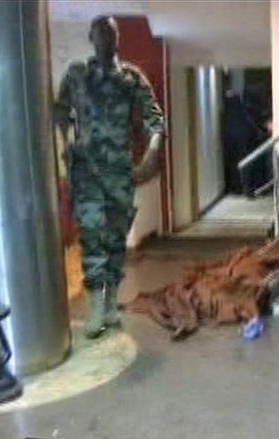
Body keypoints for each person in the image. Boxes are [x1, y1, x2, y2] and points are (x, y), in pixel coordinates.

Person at [53, 16, 165, 338]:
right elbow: (60, 111)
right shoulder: (77, 75)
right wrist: (65, 144)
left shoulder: (131, 79)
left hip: (119, 172)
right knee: (91, 237)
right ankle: (95, 309)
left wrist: (150, 156)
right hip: (86, 170)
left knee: (115, 239)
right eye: (100, 33)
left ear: (118, 39)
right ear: (91, 37)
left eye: (111, 33)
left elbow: (155, 121)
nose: (105, 38)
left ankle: (112, 300)